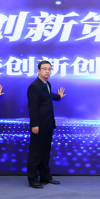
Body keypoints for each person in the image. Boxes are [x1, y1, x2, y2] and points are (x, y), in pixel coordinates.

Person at [26, 60, 66, 189]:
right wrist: (34, 124)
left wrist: (58, 97)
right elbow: (33, 107)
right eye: (44, 69)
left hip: (48, 124)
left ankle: (45, 176)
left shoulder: (46, 84)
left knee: (45, 152)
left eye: (49, 69)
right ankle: (33, 179)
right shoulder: (34, 86)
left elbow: (48, 96)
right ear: (38, 70)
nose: (47, 71)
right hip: (39, 125)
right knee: (36, 153)